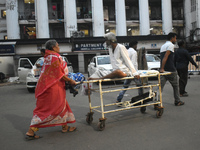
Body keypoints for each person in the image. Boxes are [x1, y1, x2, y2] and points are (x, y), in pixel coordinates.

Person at [26, 40, 77, 140]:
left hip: (45, 86)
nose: (59, 47)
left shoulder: (47, 57)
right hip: (52, 87)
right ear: (53, 47)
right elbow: (59, 74)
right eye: (58, 46)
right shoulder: (54, 57)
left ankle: (65, 126)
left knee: (62, 105)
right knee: (49, 109)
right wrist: (70, 80)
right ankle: (31, 131)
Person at [160, 32, 184, 106]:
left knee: (160, 88)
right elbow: (166, 57)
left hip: (163, 71)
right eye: (175, 38)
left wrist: (161, 68)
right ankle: (177, 101)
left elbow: (162, 57)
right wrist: (162, 68)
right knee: (176, 86)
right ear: (172, 38)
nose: (175, 40)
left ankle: (157, 101)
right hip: (170, 70)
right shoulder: (170, 45)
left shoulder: (163, 46)